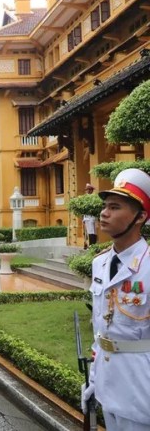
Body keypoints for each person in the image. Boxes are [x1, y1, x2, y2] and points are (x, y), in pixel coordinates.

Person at [82, 168, 150, 430]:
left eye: (115, 207)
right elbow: (101, 327)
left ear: (140, 217)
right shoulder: (99, 264)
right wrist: (93, 378)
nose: (104, 213)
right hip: (107, 384)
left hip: (140, 387)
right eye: (104, 206)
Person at [83, 183, 98, 249]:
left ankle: (92, 245)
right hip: (86, 217)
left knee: (92, 231)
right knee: (89, 232)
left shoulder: (93, 197)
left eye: (89, 189)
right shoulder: (85, 198)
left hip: (91, 217)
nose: (88, 191)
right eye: (87, 190)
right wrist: (83, 218)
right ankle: (90, 245)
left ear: (92, 190)